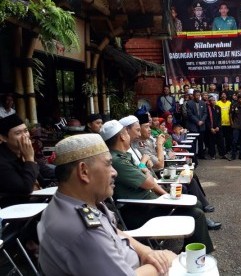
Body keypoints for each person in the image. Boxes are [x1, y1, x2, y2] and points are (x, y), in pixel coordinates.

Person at [38, 133, 177, 276]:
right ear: (84, 171)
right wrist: (166, 261)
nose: (114, 172)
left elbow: (113, 231)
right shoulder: (81, 230)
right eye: (108, 164)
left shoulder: (70, 202)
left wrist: (146, 251)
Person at [99, 120, 216, 251]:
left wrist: (144, 170)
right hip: (138, 210)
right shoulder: (118, 161)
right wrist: (144, 168)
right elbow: (149, 182)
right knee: (195, 214)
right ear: (122, 136)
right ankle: (196, 253)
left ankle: (193, 249)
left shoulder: (123, 156)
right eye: (126, 132)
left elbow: (148, 175)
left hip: (148, 203)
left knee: (196, 205)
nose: (129, 135)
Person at [0, 114, 41, 207]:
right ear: (3, 138)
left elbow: (44, 171)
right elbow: (25, 189)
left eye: (26, 131)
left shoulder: (23, 151)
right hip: (15, 208)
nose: (25, 136)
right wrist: (29, 159)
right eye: (18, 133)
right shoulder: (2, 161)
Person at [186, 90, 207, 159]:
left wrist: (202, 121)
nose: (198, 97)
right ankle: (194, 157)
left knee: (201, 141)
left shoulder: (203, 103)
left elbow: (205, 113)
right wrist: (197, 121)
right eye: (196, 95)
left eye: (199, 95)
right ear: (193, 95)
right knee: (194, 142)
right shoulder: (189, 103)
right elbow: (190, 114)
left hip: (201, 125)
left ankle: (201, 155)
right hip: (193, 126)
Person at [206, 95, 228, 160]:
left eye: (214, 100)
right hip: (211, 128)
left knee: (221, 141)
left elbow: (219, 118)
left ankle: (223, 154)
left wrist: (218, 126)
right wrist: (211, 128)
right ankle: (212, 155)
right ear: (209, 102)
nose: (213, 101)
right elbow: (206, 120)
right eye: (211, 100)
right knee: (211, 142)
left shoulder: (218, 107)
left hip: (218, 127)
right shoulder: (207, 108)